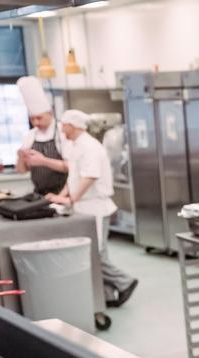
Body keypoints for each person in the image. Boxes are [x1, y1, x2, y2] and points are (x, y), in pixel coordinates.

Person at [46, 109, 139, 309]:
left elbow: (90, 176)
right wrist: (61, 197)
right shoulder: (75, 146)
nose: (61, 129)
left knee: (94, 253)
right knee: (96, 253)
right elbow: (74, 177)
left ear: (72, 126)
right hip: (83, 207)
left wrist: (70, 199)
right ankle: (107, 295)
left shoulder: (90, 147)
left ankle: (124, 281)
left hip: (95, 207)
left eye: (64, 125)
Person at [14, 76, 68, 197]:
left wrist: (43, 161)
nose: (36, 123)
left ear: (50, 113)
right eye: (32, 119)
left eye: (39, 118)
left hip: (62, 193)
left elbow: (71, 167)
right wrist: (20, 158)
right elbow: (21, 171)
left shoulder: (62, 132)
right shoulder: (30, 135)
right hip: (39, 194)